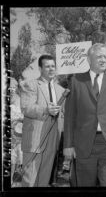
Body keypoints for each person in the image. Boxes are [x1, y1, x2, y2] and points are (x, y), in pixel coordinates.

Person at [63, 43, 106, 186]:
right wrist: (68, 144)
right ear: (89, 59)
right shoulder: (75, 80)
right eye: (99, 56)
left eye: (105, 57)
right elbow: (69, 117)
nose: (103, 60)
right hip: (83, 144)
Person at [20, 55, 66, 187]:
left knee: (44, 180)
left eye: (53, 66)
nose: (51, 69)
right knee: (30, 181)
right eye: (47, 66)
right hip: (35, 139)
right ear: (40, 68)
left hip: (53, 139)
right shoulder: (30, 84)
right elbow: (26, 108)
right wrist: (46, 109)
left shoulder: (61, 90)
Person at [10, 77, 23, 187]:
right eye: (10, 87)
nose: (12, 89)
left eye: (14, 87)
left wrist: (17, 119)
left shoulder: (20, 100)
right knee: (12, 157)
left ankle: (17, 181)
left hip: (19, 134)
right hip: (10, 134)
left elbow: (24, 116)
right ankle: (10, 180)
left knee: (19, 155)